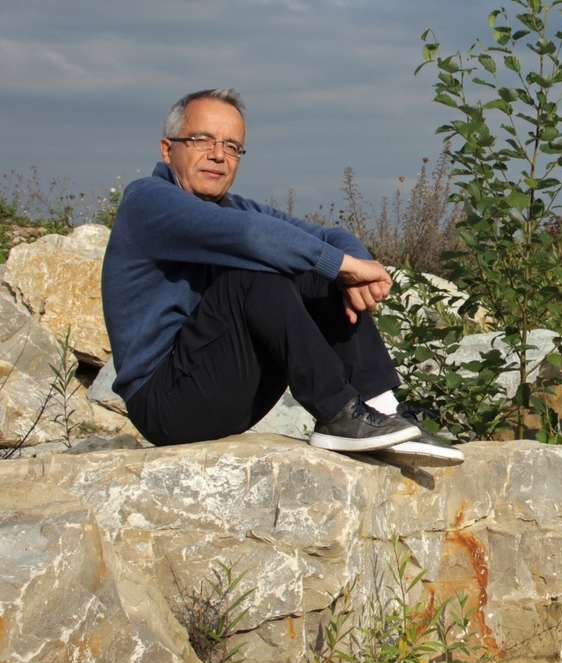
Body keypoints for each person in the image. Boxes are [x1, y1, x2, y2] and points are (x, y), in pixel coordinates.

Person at [101, 88, 462, 466]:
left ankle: (381, 409)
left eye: (232, 146)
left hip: (235, 391)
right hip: (165, 402)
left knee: (314, 269)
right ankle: (338, 413)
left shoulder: (233, 207)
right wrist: (340, 264)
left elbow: (324, 236)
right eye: (202, 140)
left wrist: (355, 267)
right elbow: (249, 237)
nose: (218, 155)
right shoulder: (146, 201)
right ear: (167, 149)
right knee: (260, 273)